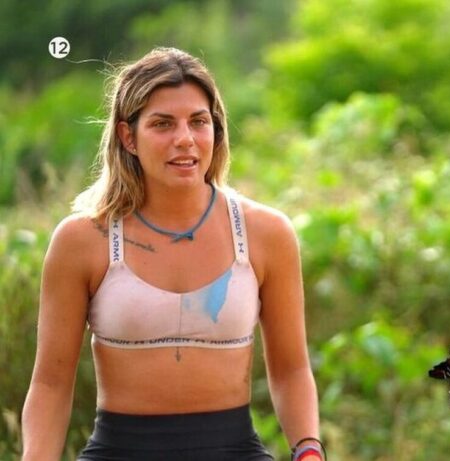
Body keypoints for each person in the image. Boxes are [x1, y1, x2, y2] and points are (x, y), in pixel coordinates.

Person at [21, 47, 325, 461]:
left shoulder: (266, 233)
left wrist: (309, 451)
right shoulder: (83, 239)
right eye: (163, 124)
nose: (185, 139)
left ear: (216, 131)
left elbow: (292, 370)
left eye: (199, 122)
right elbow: (51, 384)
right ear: (128, 136)